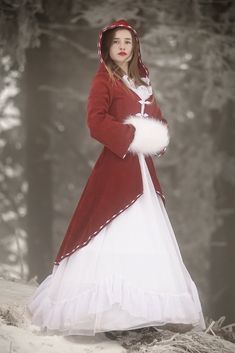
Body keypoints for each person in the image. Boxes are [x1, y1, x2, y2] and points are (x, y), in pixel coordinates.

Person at [27, 19, 206, 336]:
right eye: (116, 42)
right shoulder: (104, 81)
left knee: (146, 237)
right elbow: (96, 122)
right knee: (113, 232)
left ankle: (144, 314)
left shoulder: (144, 85)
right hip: (116, 168)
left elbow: (159, 121)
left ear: (134, 47)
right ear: (107, 48)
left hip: (144, 175)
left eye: (128, 41)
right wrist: (131, 136)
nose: (123, 46)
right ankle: (112, 317)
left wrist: (155, 137)